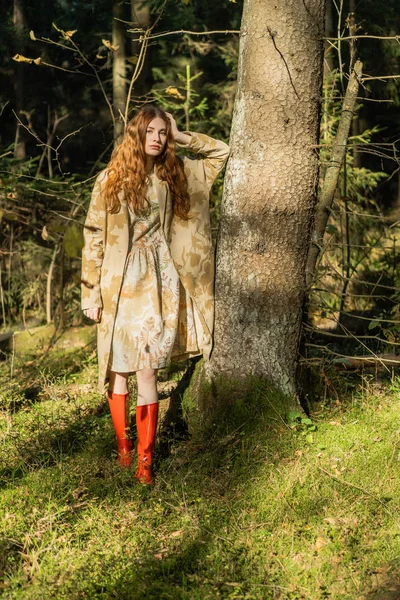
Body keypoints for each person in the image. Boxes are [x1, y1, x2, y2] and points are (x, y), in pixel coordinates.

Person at [81, 105, 230, 484]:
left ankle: (146, 463)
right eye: (150, 131)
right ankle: (124, 448)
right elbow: (94, 236)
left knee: (147, 368)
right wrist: (90, 293)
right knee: (118, 368)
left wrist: (184, 137)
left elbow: (221, 152)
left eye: (162, 132)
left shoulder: (177, 175)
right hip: (120, 282)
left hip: (162, 281)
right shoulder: (109, 180)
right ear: (136, 135)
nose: (157, 138)